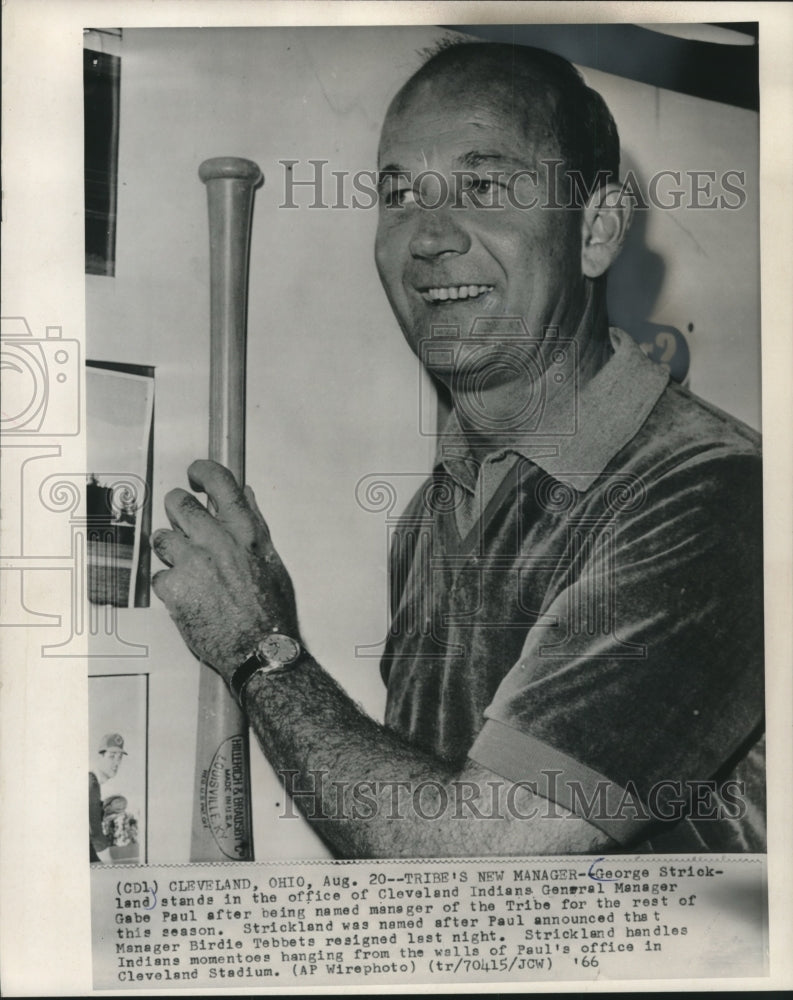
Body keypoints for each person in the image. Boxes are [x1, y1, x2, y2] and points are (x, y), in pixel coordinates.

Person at [151, 42, 764, 857]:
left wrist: (261, 651)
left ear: (597, 228)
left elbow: (471, 864)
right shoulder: (437, 509)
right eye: (399, 193)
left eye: (484, 185)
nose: (428, 237)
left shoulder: (712, 494)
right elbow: (415, 817)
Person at [89, 732, 127, 863]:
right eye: (112, 756)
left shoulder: (92, 782)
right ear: (100, 756)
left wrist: (101, 812)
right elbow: (95, 834)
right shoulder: (90, 782)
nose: (116, 763)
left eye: (120, 757)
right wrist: (111, 867)